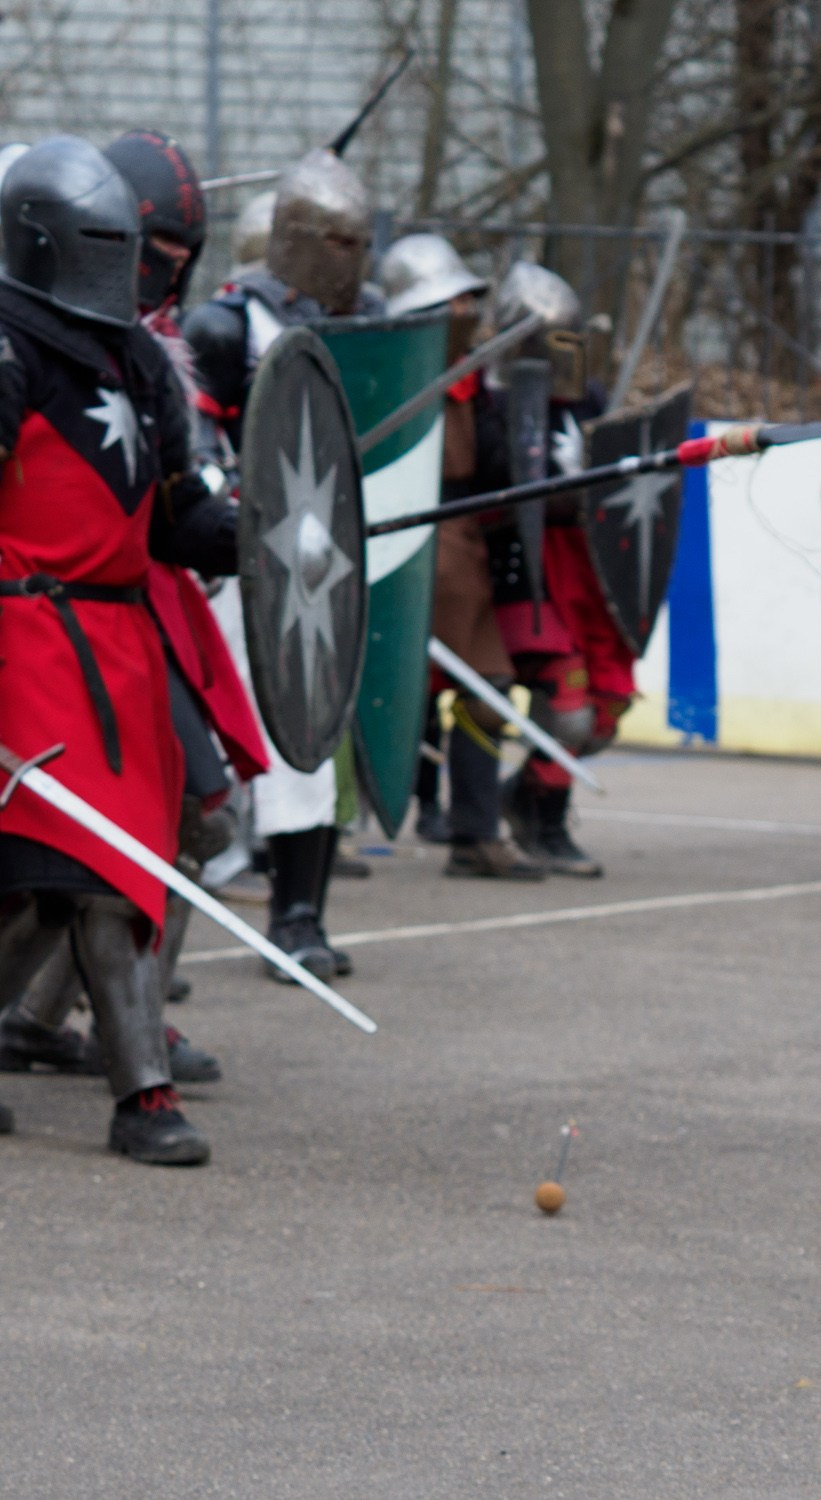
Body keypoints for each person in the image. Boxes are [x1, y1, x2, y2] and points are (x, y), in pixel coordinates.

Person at [0, 138, 242, 1164]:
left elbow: (178, 521)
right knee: (78, 872)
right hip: (26, 635)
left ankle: (134, 1092)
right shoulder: (6, 346)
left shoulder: (142, 360)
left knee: (94, 876)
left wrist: (265, 530)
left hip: (120, 642)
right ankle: (141, 1096)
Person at [185, 147, 379, 979]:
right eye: (334, 241)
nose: (350, 258)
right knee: (209, 753)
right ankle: (149, 942)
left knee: (311, 734)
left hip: (322, 568)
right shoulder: (224, 327)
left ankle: (301, 917)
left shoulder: (364, 325)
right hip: (236, 565)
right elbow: (194, 447)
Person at [376, 234, 543, 881]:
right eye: (456, 300)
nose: (469, 310)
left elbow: (496, 468)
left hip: (466, 539)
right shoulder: (391, 371)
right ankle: (316, 831)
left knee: (486, 690)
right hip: (415, 540)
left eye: (472, 299)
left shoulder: (475, 377)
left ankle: (475, 830)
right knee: (414, 691)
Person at [473, 262, 630, 878]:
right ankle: (544, 817)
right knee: (565, 700)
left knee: (606, 708)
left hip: (586, 567)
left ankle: (528, 793)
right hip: (526, 565)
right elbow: (492, 482)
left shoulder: (588, 398)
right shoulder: (490, 400)